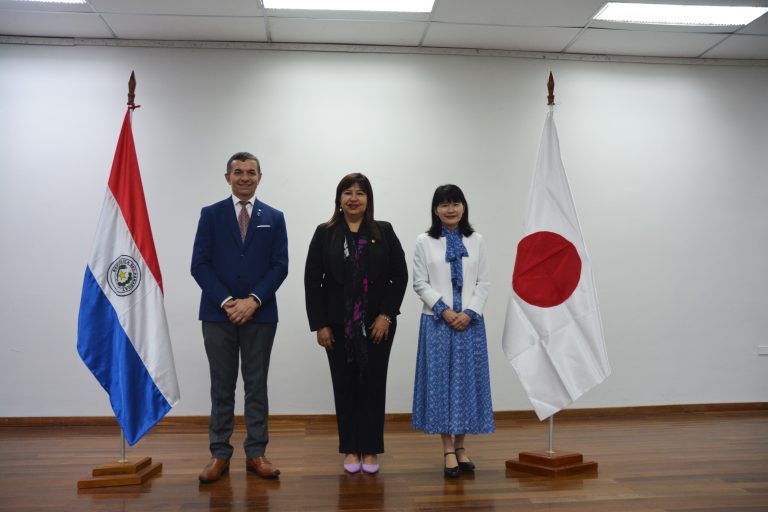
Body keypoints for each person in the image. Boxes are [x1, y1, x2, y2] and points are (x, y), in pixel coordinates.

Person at [191, 151, 288, 483]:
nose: (244, 177)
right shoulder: (211, 215)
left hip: (260, 316)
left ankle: (256, 453)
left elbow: (280, 266)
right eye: (238, 172)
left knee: (256, 386)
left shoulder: (274, 217)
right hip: (218, 315)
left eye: (251, 172)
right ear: (227, 177)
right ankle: (219, 454)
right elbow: (199, 264)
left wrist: (254, 301)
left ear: (260, 177)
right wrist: (229, 301)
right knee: (222, 387)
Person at [304, 173, 408, 475]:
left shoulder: (384, 231)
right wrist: (320, 324)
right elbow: (314, 282)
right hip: (337, 327)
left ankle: (371, 449)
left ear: (368, 199)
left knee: (374, 386)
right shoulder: (325, 233)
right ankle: (350, 448)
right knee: (345, 385)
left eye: (360, 193)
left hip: (378, 326)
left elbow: (398, 277)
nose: (353, 198)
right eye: (347, 192)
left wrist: (386, 315)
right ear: (339, 198)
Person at [411, 184, 494, 477]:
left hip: (470, 323)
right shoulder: (424, 241)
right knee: (440, 385)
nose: (450, 209)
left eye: (455, 203)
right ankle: (447, 448)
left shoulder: (476, 240)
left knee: (465, 384)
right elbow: (419, 282)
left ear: (463, 207)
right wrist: (445, 310)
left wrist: (470, 312)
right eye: (444, 204)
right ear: (436, 209)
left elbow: (483, 282)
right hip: (436, 322)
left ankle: (461, 447)